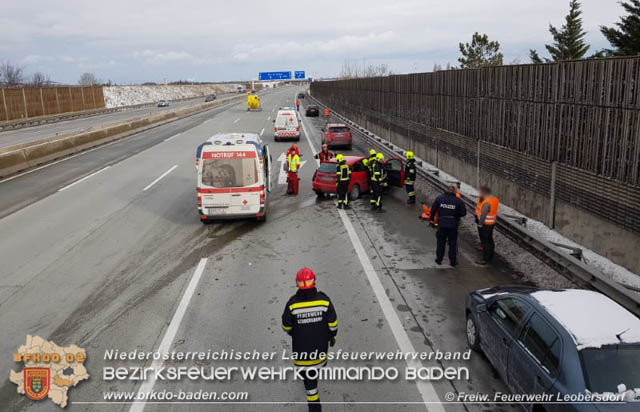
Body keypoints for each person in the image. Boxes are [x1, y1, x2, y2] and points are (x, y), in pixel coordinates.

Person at [282, 268, 338, 412]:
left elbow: (286, 326)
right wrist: (333, 337)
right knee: (314, 372)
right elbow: (333, 325)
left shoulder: (292, 304)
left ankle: (314, 407)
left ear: (297, 284)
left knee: (310, 387)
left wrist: (295, 332)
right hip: (320, 356)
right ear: (314, 282)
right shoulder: (324, 301)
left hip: (302, 358)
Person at [430, 185, 467, 266]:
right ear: (455, 192)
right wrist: (456, 216)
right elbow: (463, 212)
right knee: (453, 243)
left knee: (441, 242)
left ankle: (439, 260)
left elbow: (433, 209)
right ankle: (453, 262)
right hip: (453, 225)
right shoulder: (458, 201)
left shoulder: (439, 198)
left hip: (442, 224)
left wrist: (432, 219)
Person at [475, 186, 499, 265]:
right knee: (490, 240)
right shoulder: (494, 200)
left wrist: (480, 224)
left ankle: (485, 259)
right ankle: (491, 256)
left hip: (485, 224)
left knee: (485, 242)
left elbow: (483, 214)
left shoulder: (487, 203)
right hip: (491, 223)